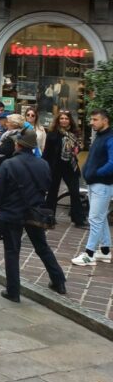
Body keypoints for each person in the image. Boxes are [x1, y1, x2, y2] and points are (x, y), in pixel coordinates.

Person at [0, 128, 65, 301]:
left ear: (18, 145)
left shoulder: (8, 164)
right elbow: (46, 186)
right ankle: (59, 281)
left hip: (12, 213)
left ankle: (13, 292)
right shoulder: (43, 164)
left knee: (12, 251)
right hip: (34, 212)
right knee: (42, 248)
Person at [73, 108, 113, 267]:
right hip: (95, 183)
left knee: (95, 219)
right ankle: (104, 251)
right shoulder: (100, 136)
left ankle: (89, 254)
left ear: (105, 120)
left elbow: (112, 163)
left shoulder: (110, 138)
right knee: (100, 217)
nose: (91, 122)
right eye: (91, 120)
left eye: (95, 119)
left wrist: (96, 173)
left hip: (102, 185)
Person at [43, 110, 85, 227]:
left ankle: (78, 219)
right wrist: (44, 166)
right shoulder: (52, 133)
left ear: (70, 120)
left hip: (70, 166)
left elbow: (79, 147)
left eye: (66, 118)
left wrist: (77, 149)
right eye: (61, 118)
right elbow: (46, 152)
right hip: (55, 167)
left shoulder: (75, 133)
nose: (64, 120)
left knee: (75, 192)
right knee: (52, 193)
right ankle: (49, 217)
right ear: (58, 120)